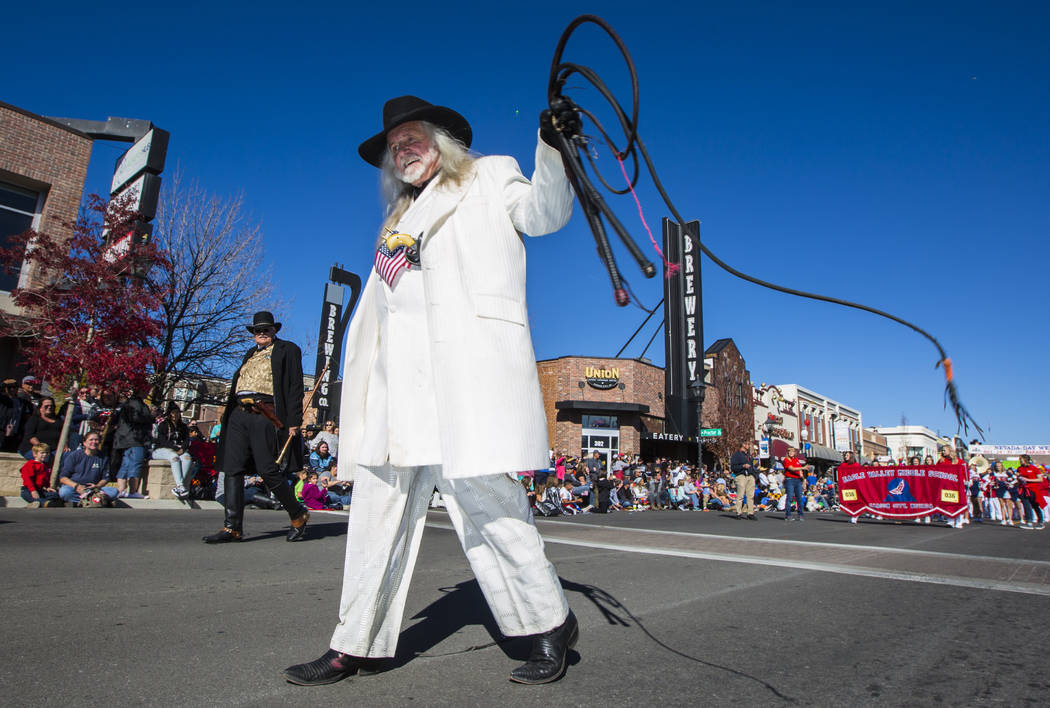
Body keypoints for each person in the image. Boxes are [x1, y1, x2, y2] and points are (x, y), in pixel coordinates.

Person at [283, 96, 577, 687]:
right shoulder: (395, 221)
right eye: (394, 148)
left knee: (489, 511)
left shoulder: (490, 176)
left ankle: (548, 625)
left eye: (411, 138)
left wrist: (554, 146)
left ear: (442, 140)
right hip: (398, 388)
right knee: (376, 512)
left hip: (464, 381)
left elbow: (545, 212)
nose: (401, 152)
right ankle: (354, 643)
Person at [204, 311, 310, 543]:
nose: (261, 333)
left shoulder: (288, 350)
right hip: (239, 414)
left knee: (267, 469)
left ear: (274, 330)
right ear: (253, 334)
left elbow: (294, 386)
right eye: (257, 330)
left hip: (265, 413)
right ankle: (232, 527)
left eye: (266, 329)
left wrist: (294, 421)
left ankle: (298, 513)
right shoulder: (250, 354)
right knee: (232, 468)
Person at [57, 432, 118, 505]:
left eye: (96, 440)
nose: (94, 442)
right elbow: (63, 478)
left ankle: (88, 501)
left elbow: (105, 478)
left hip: (94, 489)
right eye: (91, 440)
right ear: (84, 443)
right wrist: (77, 486)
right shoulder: (74, 456)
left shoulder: (103, 457)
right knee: (64, 492)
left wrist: (97, 486)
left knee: (114, 491)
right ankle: (96, 501)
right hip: (76, 488)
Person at [112, 390, 153, 498]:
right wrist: (151, 417)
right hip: (136, 438)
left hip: (125, 438)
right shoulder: (136, 403)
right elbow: (136, 418)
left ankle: (121, 490)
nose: (148, 392)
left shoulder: (129, 403)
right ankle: (132, 491)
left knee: (125, 464)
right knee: (136, 463)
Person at [153, 401, 195, 500]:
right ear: (169, 414)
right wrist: (175, 449)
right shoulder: (163, 425)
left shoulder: (183, 426)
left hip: (179, 450)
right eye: (173, 412)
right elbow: (162, 441)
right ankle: (180, 486)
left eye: (177, 412)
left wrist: (182, 449)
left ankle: (179, 487)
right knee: (174, 458)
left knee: (188, 458)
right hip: (162, 450)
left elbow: (186, 440)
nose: (175, 415)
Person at [18, 396, 63, 463]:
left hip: (54, 450)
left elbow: (64, 434)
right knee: (46, 458)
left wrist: (65, 444)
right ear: (40, 408)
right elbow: (30, 436)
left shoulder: (59, 420)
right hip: (35, 449)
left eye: (52, 406)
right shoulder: (34, 419)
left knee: (67, 457)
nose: (49, 407)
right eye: (46, 406)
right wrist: (42, 448)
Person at [20, 442, 60, 507]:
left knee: (54, 495)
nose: (45, 455)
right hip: (28, 490)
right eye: (42, 453)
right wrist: (33, 491)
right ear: (35, 454)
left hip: (40, 489)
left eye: (46, 453)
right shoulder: (30, 464)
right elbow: (27, 479)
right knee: (36, 498)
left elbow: (46, 479)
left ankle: (40, 503)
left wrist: (47, 487)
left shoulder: (45, 465)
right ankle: (45, 504)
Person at [730, 443, 758, 520]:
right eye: (747, 444)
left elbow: (752, 465)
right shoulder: (737, 455)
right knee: (740, 495)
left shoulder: (748, 455)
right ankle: (738, 512)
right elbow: (733, 467)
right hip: (741, 475)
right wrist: (742, 466)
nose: (749, 446)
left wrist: (754, 475)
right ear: (743, 445)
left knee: (750, 495)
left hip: (750, 475)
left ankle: (750, 513)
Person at [782, 447, 807, 521]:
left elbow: (799, 471)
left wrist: (803, 480)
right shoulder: (786, 460)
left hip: (798, 480)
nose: (791, 452)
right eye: (789, 451)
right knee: (790, 497)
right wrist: (803, 468)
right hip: (790, 479)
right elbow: (791, 468)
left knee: (799, 497)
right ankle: (788, 515)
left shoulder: (796, 460)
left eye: (792, 451)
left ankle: (800, 514)